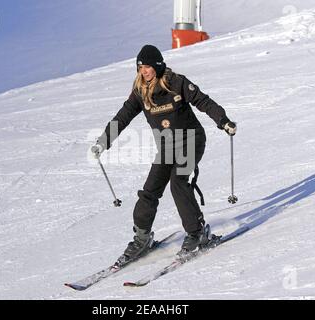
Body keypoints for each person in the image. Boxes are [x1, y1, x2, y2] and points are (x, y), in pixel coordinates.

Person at [91, 44, 236, 260]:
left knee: (178, 182)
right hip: (167, 146)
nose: (144, 71)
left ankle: (197, 233)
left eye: (147, 67)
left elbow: (203, 101)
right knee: (150, 190)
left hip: (191, 140)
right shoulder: (140, 92)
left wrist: (223, 120)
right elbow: (122, 118)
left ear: (157, 66)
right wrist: (104, 141)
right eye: (140, 67)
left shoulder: (177, 82)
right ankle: (142, 238)